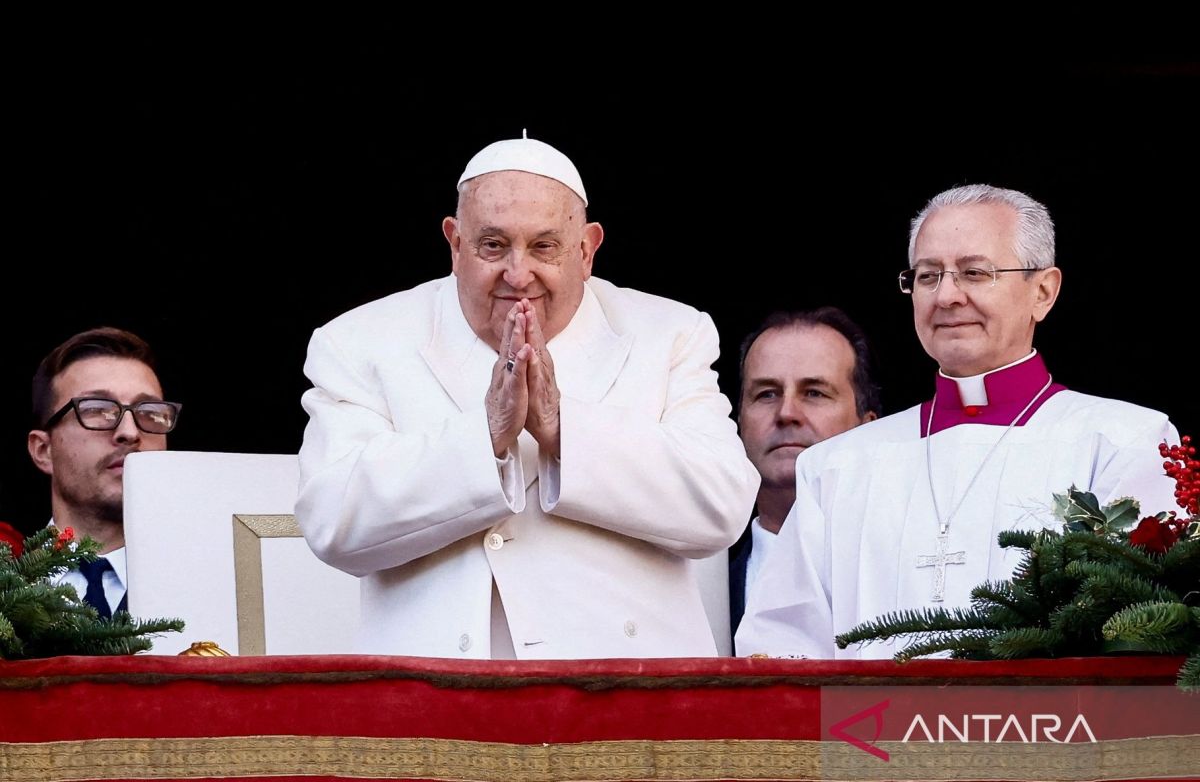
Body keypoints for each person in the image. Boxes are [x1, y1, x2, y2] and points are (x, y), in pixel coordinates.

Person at [296, 134, 758, 659]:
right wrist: (486, 437)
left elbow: (721, 506)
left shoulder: (668, 333)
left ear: (586, 250)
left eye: (544, 247)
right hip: (436, 696)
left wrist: (564, 429)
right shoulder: (361, 341)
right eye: (492, 245)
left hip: (629, 692)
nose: (518, 275)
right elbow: (333, 521)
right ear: (454, 243)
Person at [736, 184, 1181, 659]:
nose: (946, 296)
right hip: (866, 735)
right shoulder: (836, 466)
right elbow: (782, 649)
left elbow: (1142, 641)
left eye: (974, 272)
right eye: (928, 276)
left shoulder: (1124, 443)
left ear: (1043, 292)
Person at [729, 308, 880, 637]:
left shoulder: (901, 572)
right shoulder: (693, 589)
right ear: (738, 424)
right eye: (766, 394)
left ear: (868, 429)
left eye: (814, 393)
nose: (786, 413)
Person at [26, 327, 181, 618]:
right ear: (43, 450)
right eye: (97, 409)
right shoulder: (8, 592)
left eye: (150, 412)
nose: (130, 432)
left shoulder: (215, 589)